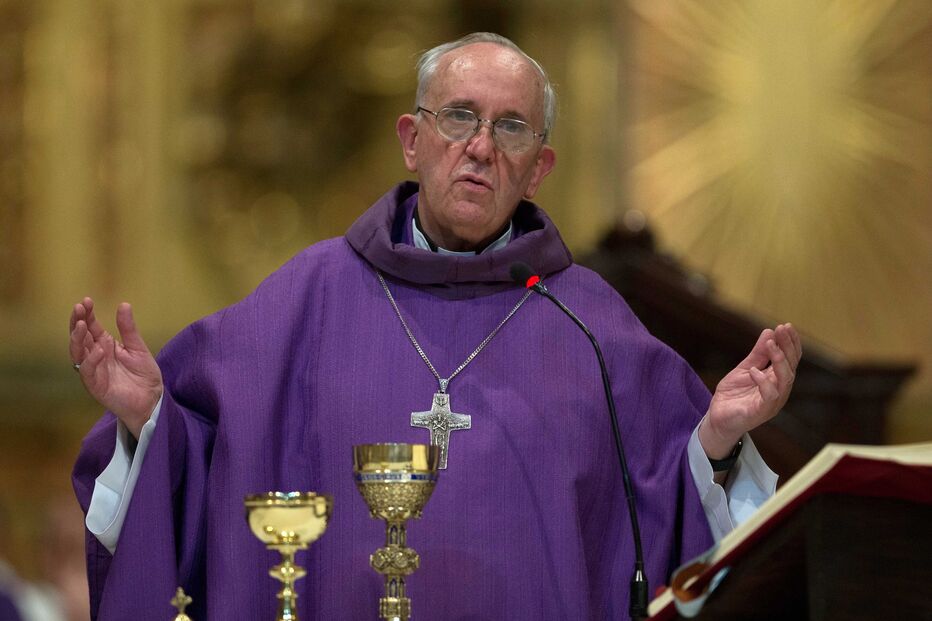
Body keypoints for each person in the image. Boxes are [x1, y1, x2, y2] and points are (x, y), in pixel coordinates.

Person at [70, 32, 801, 620]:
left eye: (510, 127)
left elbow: (664, 527)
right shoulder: (305, 298)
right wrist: (149, 422)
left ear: (538, 167)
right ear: (411, 140)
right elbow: (205, 472)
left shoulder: (591, 325)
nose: (480, 146)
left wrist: (717, 439)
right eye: (458, 116)